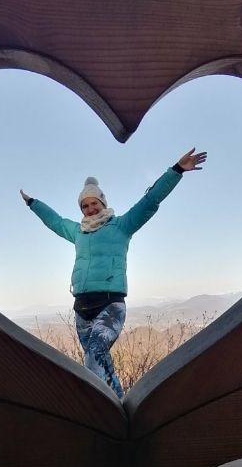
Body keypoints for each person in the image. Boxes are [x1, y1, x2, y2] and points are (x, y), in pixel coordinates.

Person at [19, 148, 207, 398]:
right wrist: (33, 204)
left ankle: (118, 408)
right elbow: (54, 221)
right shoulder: (78, 232)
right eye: (84, 205)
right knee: (93, 368)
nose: (89, 209)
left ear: (102, 202)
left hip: (110, 305)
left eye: (93, 203)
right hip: (81, 309)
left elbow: (150, 202)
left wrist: (176, 170)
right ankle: (114, 406)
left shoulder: (121, 226)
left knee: (95, 353)